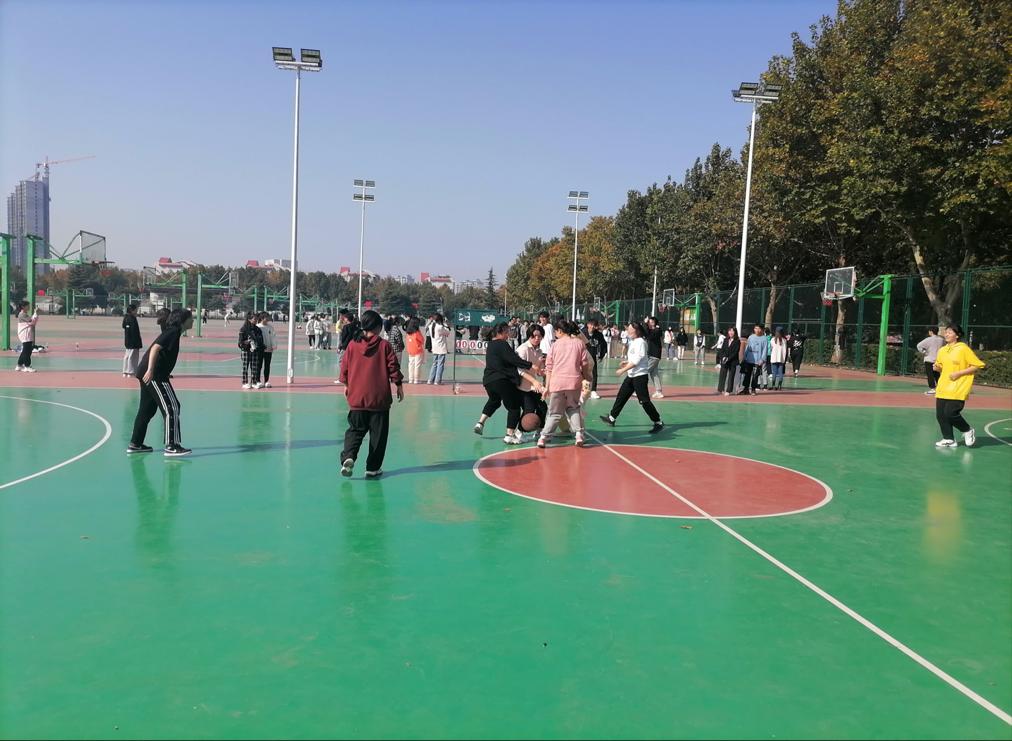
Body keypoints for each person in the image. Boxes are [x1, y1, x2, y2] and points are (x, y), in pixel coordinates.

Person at [339, 310, 404, 477]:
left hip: (357, 397)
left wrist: (346, 385)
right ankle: (373, 468)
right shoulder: (384, 345)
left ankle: (349, 456)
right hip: (379, 399)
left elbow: (344, 368)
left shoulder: (352, 345)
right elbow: (393, 367)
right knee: (378, 435)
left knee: (355, 430)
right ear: (377, 327)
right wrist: (398, 385)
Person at [128, 308, 194, 457]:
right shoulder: (173, 332)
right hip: (155, 375)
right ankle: (172, 446)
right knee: (172, 407)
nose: (193, 320)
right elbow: (155, 348)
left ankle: (135, 444)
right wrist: (151, 370)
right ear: (183, 320)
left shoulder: (174, 332)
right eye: (190, 318)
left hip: (148, 372)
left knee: (146, 410)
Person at [474, 322, 544, 444]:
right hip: (501, 380)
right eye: (506, 332)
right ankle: (509, 435)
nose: (507, 335)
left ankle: (480, 422)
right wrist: (530, 365)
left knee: (494, 401)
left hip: (488, 381)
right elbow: (513, 359)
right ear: (499, 333)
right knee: (514, 408)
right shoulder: (502, 344)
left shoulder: (491, 345)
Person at [599, 322, 664, 433]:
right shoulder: (633, 342)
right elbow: (634, 359)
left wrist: (622, 370)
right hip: (631, 375)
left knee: (644, 401)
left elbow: (637, 361)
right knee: (621, 396)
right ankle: (612, 418)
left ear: (637, 331)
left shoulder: (641, 342)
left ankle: (658, 422)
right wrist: (626, 362)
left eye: (630, 329)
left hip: (640, 377)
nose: (628, 331)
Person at [538, 319, 592, 448]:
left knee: (554, 412)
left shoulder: (555, 345)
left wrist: (547, 387)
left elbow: (549, 368)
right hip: (574, 381)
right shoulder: (579, 343)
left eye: (555, 332)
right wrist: (586, 377)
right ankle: (578, 434)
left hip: (557, 383)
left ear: (560, 331)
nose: (555, 334)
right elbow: (584, 363)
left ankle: (543, 437)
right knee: (573, 408)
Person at [932, 323, 985, 448]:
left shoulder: (963, 349)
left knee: (950, 413)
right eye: (946, 332)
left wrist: (959, 373)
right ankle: (948, 439)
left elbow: (977, 365)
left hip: (958, 387)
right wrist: (937, 368)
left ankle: (967, 430)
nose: (947, 334)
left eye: (950, 332)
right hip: (943, 386)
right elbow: (941, 366)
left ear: (957, 335)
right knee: (941, 415)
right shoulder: (942, 350)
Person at [516, 324, 548, 439]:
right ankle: (519, 432)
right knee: (529, 410)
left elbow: (538, 372)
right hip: (522, 386)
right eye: (534, 336)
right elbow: (519, 370)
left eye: (539, 336)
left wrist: (543, 371)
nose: (537, 338)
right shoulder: (523, 349)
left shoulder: (539, 351)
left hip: (534, 387)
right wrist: (534, 381)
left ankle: (539, 431)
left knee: (543, 407)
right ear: (529, 335)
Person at [582, 318, 607, 400]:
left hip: (592, 357)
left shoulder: (598, 335)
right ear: (588, 325)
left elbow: (604, 344)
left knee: (594, 374)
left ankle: (593, 391)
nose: (592, 327)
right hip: (581, 357)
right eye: (591, 324)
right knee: (581, 374)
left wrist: (601, 355)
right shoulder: (582, 333)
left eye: (594, 325)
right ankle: (583, 390)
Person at [739, 324, 768, 395]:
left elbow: (765, 350)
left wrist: (762, 359)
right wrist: (745, 357)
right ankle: (745, 389)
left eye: (758, 328)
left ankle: (753, 389)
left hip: (758, 361)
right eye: (755, 328)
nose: (757, 330)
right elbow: (747, 347)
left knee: (755, 376)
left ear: (762, 330)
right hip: (749, 359)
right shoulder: (751, 337)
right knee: (747, 375)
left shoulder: (764, 339)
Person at [238, 311, 264, 389]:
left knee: (254, 367)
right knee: (245, 367)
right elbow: (240, 342)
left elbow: (261, 340)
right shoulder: (243, 329)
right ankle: (245, 382)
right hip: (246, 350)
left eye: (256, 319)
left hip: (255, 351)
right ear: (249, 319)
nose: (256, 320)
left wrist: (258, 344)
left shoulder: (258, 329)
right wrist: (247, 342)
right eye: (254, 319)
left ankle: (254, 382)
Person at [916, 327, 945, 395]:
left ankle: (932, 388)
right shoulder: (941, 340)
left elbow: (919, 345)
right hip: (938, 360)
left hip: (929, 359)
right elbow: (944, 347)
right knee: (937, 374)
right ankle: (940, 388)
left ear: (931, 332)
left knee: (930, 375)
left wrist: (924, 352)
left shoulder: (928, 339)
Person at [426, 313, 451, 385]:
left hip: (434, 347)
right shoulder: (440, 327)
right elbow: (447, 333)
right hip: (441, 348)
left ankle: (430, 380)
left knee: (434, 364)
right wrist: (445, 323)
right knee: (440, 364)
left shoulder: (431, 326)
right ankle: (437, 380)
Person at [716, 327, 741, 396]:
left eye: (732, 331)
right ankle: (720, 389)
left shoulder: (737, 341)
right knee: (722, 375)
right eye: (729, 331)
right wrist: (723, 357)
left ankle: (728, 390)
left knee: (731, 376)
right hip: (724, 361)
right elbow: (722, 349)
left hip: (733, 361)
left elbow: (735, 352)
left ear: (735, 332)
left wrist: (728, 358)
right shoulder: (725, 339)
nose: (731, 332)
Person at [15, 301, 39, 372]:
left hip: (26, 334)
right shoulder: (22, 314)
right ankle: (27, 366)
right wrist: (35, 313)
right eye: (27, 306)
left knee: (26, 350)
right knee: (27, 351)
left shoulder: (24, 314)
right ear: (23, 307)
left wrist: (35, 314)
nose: (29, 307)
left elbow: (32, 322)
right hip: (25, 334)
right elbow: (32, 321)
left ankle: (19, 365)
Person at [643, 316, 664, 398]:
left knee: (643, 371)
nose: (650, 323)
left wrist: (646, 325)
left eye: (652, 322)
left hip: (654, 355)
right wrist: (645, 324)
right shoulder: (651, 330)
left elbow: (650, 336)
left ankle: (638, 390)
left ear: (655, 323)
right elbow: (646, 334)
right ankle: (659, 392)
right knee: (654, 374)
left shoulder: (657, 330)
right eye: (649, 322)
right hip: (651, 355)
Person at [121, 303, 143, 377]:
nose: (137, 311)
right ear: (132, 310)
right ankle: (131, 372)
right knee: (132, 356)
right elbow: (134, 331)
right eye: (136, 310)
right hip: (134, 341)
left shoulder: (126, 317)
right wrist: (137, 342)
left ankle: (125, 371)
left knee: (127, 356)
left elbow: (124, 326)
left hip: (127, 340)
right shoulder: (132, 318)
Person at [255, 312, 277, 388]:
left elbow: (273, 337)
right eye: (266, 317)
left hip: (268, 349)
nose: (268, 318)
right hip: (260, 350)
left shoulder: (270, 327)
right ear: (262, 318)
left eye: (268, 317)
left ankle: (266, 381)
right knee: (259, 366)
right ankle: (257, 381)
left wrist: (274, 345)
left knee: (267, 366)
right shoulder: (257, 327)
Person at [403, 318, 425, 384]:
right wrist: (419, 331)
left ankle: (411, 379)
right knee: (417, 365)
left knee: (411, 365)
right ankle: (416, 379)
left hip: (410, 350)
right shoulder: (417, 332)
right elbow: (422, 340)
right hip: (417, 350)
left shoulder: (408, 332)